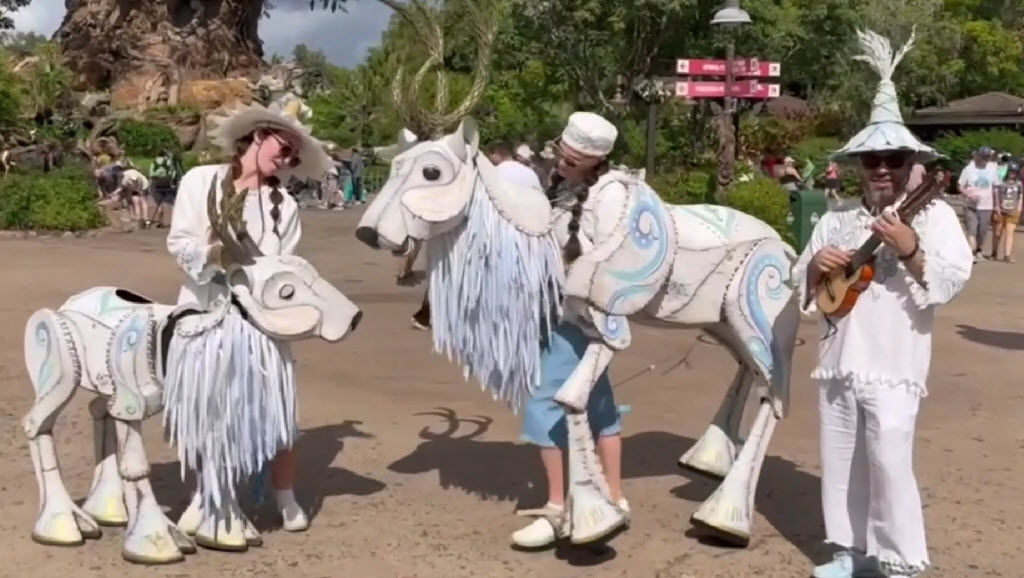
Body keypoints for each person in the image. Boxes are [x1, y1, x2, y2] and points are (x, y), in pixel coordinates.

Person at [792, 29, 973, 578]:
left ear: (912, 163)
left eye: (893, 158)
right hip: (838, 359)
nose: (881, 169)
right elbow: (805, 286)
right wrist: (816, 266)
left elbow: (952, 279)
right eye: (872, 159)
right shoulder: (837, 218)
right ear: (859, 164)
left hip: (895, 361)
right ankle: (851, 553)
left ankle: (899, 559)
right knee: (841, 456)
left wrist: (910, 248)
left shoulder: (934, 217)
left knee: (890, 458)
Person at [166, 97, 334, 534]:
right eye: (284, 148)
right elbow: (179, 242)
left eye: (294, 156)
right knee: (207, 408)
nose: (287, 160)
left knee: (276, 409)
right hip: (206, 311)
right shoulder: (201, 181)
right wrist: (214, 255)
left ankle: (284, 494)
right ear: (259, 135)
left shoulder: (286, 207)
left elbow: (284, 267)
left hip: (261, 321)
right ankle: (206, 495)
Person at [512, 111, 627, 549]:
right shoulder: (561, 189)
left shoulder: (609, 194)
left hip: (581, 318)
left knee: (545, 403)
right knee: (599, 404)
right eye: (562, 150)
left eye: (572, 156)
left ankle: (557, 507)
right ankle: (614, 496)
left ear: (595, 160)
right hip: (564, 316)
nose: (562, 159)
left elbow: (609, 258)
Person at [958, 146, 1000, 261]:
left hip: (986, 206)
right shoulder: (969, 169)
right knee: (972, 229)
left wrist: (997, 205)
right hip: (970, 205)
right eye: (983, 156)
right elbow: (960, 186)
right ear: (978, 156)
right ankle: (971, 253)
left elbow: (995, 188)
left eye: (987, 157)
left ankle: (979, 250)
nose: (985, 159)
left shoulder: (992, 169)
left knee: (982, 231)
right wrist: (967, 194)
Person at [991, 161, 1022, 262]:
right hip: (1001, 210)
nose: (1012, 174)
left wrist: (1019, 207)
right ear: (1008, 171)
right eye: (1011, 171)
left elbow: (1020, 196)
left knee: (1010, 232)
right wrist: (996, 207)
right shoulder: (1001, 183)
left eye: (1015, 172)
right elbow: (996, 194)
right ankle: (994, 252)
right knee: (997, 232)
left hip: (1012, 211)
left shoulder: (1018, 184)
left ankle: (1007, 255)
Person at [114, 163, 152, 230]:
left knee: (143, 200)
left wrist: (140, 191)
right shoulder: (124, 179)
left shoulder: (136, 175)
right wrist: (114, 193)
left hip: (143, 186)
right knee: (135, 201)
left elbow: (140, 183)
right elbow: (121, 188)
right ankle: (138, 217)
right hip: (134, 188)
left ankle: (145, 218)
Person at [148, 149, 179, 228]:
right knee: (171, 203)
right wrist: (171, 180)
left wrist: (158, 175)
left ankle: (160, 221)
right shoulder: (168, 162)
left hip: (158, 185)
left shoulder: (154, 163)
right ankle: (174, 221)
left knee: (159, 204)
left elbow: (151, 174)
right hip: (167, 184)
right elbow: (173, 172)